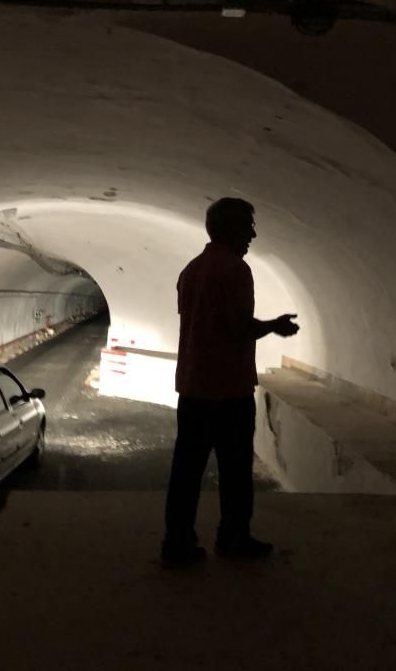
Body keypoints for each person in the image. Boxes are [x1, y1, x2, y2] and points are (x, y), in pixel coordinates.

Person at [161, 197, 300, 565]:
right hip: (227, 389)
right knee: (236, 471)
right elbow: (237, 327)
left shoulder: (192, 270)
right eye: (248, 225)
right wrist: (275, 326)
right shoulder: (235, 270)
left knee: (186, 472)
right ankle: (233, 538)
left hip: (192, 387)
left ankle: (177, 544)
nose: (253, 233)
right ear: (230, 228)